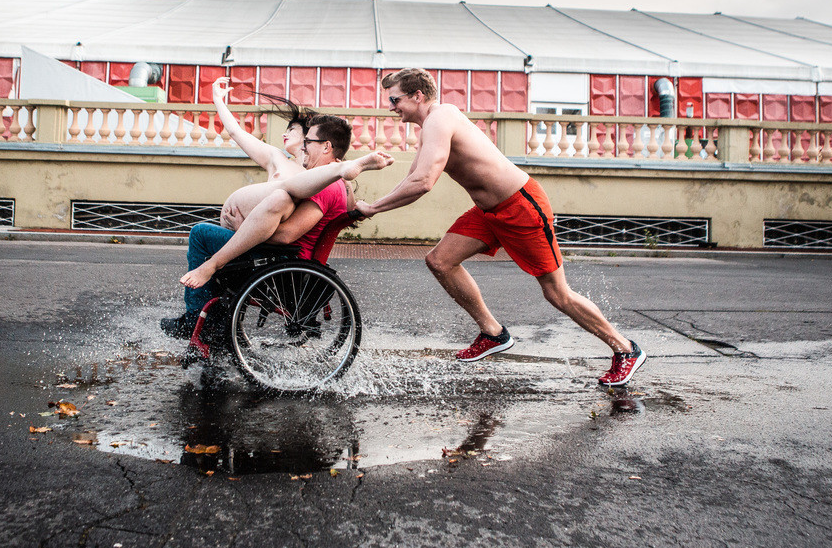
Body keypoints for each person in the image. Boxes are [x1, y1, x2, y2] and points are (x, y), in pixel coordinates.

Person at [355, 68, 646, 386]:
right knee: (440, 261)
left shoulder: (441, 118)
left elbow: (424, 182)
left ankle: (626, 349)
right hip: (488, 213)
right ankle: (493, 333)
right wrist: (368, 201)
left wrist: (371, 208)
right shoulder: (430, 127)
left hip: (521, 207)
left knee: (557, 293)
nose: (391, 106)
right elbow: (412, 177)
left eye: (395, 99)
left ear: (417, 96)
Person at [161, 107, 390, 337]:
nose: (303, 146)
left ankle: (195, 319)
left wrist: (244, 227)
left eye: (308, 141)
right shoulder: (327, 183)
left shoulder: (327, 186)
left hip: (282, 264)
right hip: (283, 261)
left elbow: (286, 235)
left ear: (326, 146)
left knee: (201, 234)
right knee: (281, 194)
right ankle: (216, 322)